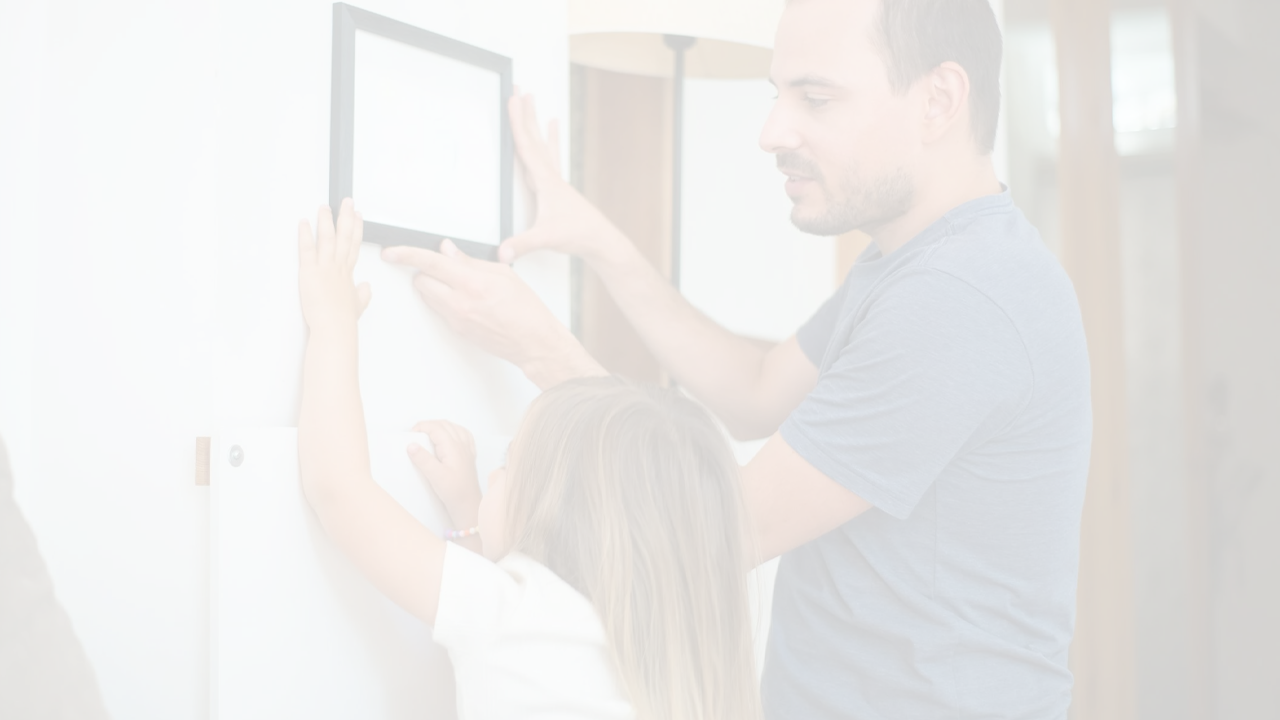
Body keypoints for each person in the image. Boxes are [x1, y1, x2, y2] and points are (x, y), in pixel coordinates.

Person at [379, 0, 1093, 718]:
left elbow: (716, 527)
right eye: (777, 94)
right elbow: (755, 388)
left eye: (816, 98)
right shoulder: (915, 261)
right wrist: (600, 242)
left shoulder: (958, 296)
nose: (771, 132)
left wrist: (542, 347)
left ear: (938, 99)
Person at [295, 200, 763, 720]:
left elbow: (338, 490)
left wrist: (333, 324)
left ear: (556, 513)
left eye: (511, 463)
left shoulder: (512, 616)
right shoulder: (674, 648)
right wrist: (470, 507)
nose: (494, 474)